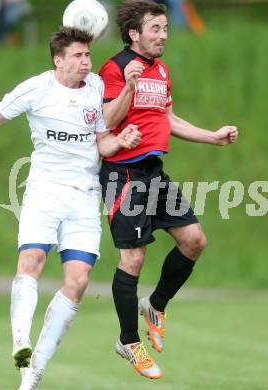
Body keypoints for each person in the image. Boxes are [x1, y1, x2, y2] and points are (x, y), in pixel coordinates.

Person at [0, 27, 141, 389]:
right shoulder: (37, 88)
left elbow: (101, 142)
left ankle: (34, 372)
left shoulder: (95, 87)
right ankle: (21, 341)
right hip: (45, 191)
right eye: (79, 55)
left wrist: (119, 140)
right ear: (58, 60)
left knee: (77, 282)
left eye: (88, 55)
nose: (86, 62)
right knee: (31, 261)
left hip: (83, 196)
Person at [99, 0, 238, 379]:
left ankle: (155, 305)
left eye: (165, 29)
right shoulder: (113, 69)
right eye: (155, 29)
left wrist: (212, 136)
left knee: (194, 240)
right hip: (122, 175)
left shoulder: (161, 70)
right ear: (133, 33)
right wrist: (128, 86)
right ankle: (129, 341)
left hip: (153, 172)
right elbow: (106, 120)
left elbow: (168, 118)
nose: (163, 35)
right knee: (133, 260)